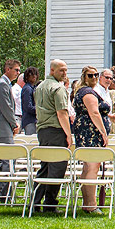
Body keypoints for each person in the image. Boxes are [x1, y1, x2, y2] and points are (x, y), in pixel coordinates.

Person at [32, 59, 72, 213]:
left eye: (66, 70)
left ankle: (35, 201)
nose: (64, 73)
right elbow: (62, 113)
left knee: (45, 167)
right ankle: (50, 203)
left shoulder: (40, 87)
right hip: (56, 130)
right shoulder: (58, 88)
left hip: (43, 131)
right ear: (52, 70)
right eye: (61, 70)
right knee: (57, 168)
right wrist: (68, 135)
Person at [72, 66, 110, 213]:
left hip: (87, 132)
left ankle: (87, 203)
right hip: (90, 134)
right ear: (84, 77)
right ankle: (91, 204)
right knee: (92, 167)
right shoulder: (87, 92)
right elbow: (94, 112)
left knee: (88, 167)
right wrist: (103, 132)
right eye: (90, 75)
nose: (94, 78)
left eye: (96, 75)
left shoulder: (84, 91)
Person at [0, 59, 21, 144]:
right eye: (16, 70)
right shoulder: (2, 84)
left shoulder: (4, 84)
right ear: (8, 69)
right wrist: (15, 124)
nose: (18, 73)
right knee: (6, 155)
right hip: (2, 128)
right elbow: (6, 108)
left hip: (4, 128)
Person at [20, 67, 39, 136]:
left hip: (33, 120)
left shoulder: (32, 88)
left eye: (35, 74)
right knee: (31, 140)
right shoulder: (27, 89)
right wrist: (40, 110)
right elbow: (28, 107)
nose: (34, 76)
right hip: (29, 121)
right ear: (27, 76)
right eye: (31, 74)